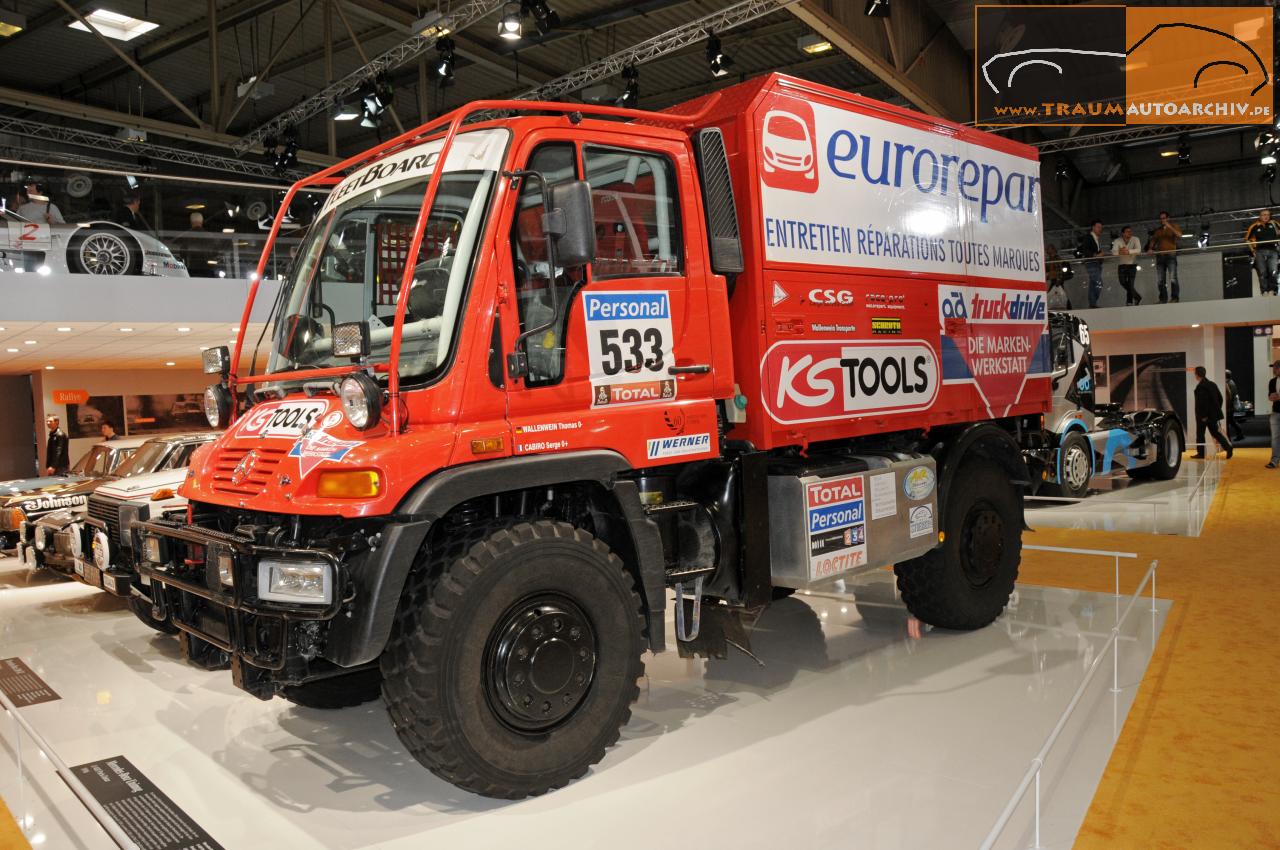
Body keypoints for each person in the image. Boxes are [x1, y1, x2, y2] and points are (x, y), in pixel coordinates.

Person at [1192, 366, 1233, 459]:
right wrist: (1215, 410)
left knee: (1200, 434)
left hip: (1203, 416)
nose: (1195, 375)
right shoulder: (1212, 384)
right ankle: (1228, 447)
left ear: (1197, 374)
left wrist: (1204, 415)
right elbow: (1220, 398)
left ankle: (1201, 453)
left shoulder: (1201, 387)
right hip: (1212, 415)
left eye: (1195, 374)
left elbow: (1202, 403)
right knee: (1216, 433)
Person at [1146, 211, 1182, 303]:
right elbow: (1153, 240)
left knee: (1173, 277)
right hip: (1160, 256)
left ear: (1168, 218)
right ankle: (1163, 298)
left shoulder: (1174, 226)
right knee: (1160, 279)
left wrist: (1169, 227)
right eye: (1161, 218)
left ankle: (1175, 298)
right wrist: (1150, 248)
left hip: (1171, 255)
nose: (1162, 220)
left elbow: (1179, 235)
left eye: (1164, 218)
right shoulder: (1158, 230)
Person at [1245, 208, 1279, 296]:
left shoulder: (1274, 223)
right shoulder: (1255, 226)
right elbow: (1247, 239)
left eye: (1268, 215)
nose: (1266, 216)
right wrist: (1253, 250)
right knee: (1262, 272)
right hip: (1260, 251)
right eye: (1264, 215)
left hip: (1273, 251)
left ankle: (1273, 290)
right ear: (1260, 216)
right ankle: (1264, 291)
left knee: (1273, 271)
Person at [1077, 220, 1106, 308]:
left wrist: (1100, 256)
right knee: (1098, 283)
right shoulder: (1088, 237)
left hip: (1096, 263)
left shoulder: (1096, 238)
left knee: (1093, 284)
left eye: (1101, 227)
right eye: (1098, 227)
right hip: (1091, 263)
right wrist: (1096, 255)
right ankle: (1093, 302)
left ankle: (1092, 303)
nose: (1100, 229)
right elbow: (1085, 250)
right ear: (1093, 227)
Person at [1111, 225, 1143, 305]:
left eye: (1130, 231)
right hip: (1122, 265)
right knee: (1122, 282)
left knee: (1130, 284)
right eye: (1127, 231)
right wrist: (1120, 251)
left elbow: (1139, 250)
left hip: (1132, 264)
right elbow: (1114, 252)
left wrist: (1128, 251)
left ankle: (1129, 302)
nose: (1130, 233)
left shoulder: (1135, 239)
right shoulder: (1117, 240)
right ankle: (1137, 297)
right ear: (1123, 233)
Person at [1224, 370, 1244, 442]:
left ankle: (1228, 439)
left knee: (1227, 422)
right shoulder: (1231, 382)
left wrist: (1226, 406)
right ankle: (1240, 434)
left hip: (1229, 406)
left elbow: (1229, 396)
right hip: (1231, 406)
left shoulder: (1228, 383)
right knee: (1232, 421)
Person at [1267, 360, 1280, 469]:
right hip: (1275, 412)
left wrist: (1277, 397)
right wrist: (1272, 397)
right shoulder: (1272, 381)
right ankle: (1274, 460)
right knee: (1275, 437)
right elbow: (1270, 396)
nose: (1274, 370)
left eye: (1275, 368)